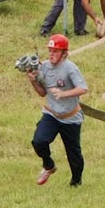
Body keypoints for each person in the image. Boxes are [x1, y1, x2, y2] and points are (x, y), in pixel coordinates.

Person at [26, 34, 88, 187]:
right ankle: (48, 165)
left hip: (70, 117)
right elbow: (42, 92)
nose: (52, 54)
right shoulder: (44, 67)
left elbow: (83, 88)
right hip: (52, 114)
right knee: (39, 141)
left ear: (64, 53)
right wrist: (33, 81)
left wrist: (63, 94)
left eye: (56, 51)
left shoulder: (70, 68)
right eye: (50, 51)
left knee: (74, 154)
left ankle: (76, 182)